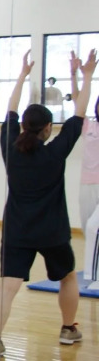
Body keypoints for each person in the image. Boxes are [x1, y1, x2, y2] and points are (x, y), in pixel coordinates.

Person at [0, 49, 97, 359]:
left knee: (8, 286)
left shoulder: (10, 146)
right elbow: (80, 113)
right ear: (48, 128)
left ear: (23, 126)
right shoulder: (55, 152)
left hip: (17, 231)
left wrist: (22, 75)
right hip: (52, 231)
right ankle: (68, 329)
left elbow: (10, 108)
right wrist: (87, 76)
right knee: (68, 277)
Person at [72, 52, 99, 288]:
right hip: (87, 184)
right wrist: (75, 76)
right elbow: (77, 102)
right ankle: (93, 270)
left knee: (94, 227)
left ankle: (94, 275)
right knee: (87, 227)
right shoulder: (89, 126)